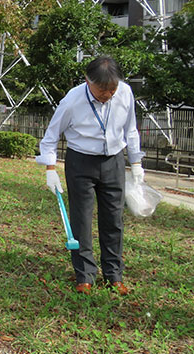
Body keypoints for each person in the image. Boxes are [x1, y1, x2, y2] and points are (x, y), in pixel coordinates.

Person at [36, 56, 144, 296]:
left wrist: (136, 162)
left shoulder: (125, 93)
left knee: (113, 220)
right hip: (81, 162)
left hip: (114, 161)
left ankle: (114, 274)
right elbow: (51, 137)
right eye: (102, 90)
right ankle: (85, 275)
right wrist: (50, 169)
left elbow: (131, 129)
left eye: (112, 89)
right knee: (81, 220)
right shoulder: (72, 100)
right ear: (88, 81)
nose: (108, 94)